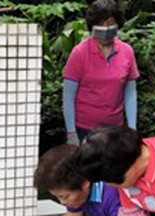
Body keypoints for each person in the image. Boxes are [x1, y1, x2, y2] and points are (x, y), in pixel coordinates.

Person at [63, 0, 138, 146]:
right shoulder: (79, 53)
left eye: (110, 23)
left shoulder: (127, 51)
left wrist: (132, 128)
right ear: (92, 26)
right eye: (101, 24)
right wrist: (71, 133)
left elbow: (130, 93)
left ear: (118, 24)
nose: (106, 28)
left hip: (115, 129)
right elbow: (68, 97)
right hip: (84, 129)